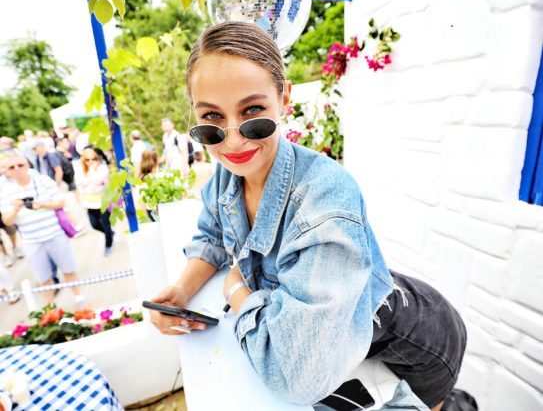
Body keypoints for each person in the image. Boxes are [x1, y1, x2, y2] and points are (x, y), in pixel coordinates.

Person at [149, 22, 467, 410]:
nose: (233, 141)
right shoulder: (228, 176)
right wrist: (182, 289)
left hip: (413, 346)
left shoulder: (325, 199)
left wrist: (238, 291)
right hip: (347, 337)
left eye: (253, 112)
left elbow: (293, 378)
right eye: (212, 120)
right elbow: (212, 234)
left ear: (284, 98)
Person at [0, 151, 86, 307]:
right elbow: (7, 220)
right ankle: (51, 309)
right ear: (6, 171)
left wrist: (42, 204)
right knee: (43, 277)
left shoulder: (43, 180)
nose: (17, 169)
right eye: (12, 167)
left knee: (69, 269)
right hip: (31, 240)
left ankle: (79, 299)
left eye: (21, 165)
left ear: (27, 165)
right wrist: (15, 209)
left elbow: (61, 202)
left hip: (54, 233)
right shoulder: (4, 191)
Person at [78, 148, 114, 256]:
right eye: (87, 160)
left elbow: (98, 181)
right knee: (94, 225)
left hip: (102, 201)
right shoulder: (82, 170)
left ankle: (108, 244)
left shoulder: (102, 168)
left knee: (105, 224)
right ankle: (110, 234)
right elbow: (80, 183)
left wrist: (92, 173)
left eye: (93, 159)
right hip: (89, 202)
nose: (91, 162)